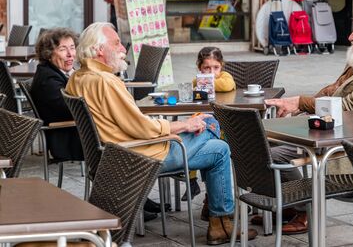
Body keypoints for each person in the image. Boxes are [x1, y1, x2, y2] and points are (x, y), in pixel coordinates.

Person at [66, 22, 257, 245]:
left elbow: (132, 124)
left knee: (219, 148)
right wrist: (185, 125)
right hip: (139, 155)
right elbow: (141, 128)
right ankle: (220, 221)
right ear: (99, 50)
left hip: (112, 154)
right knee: (214, 127)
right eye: (116, 43)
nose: (122, 49)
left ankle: (220, 221)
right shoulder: (105, 81)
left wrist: (184, 124)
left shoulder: (77, 78)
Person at [263, 11, 353, 234]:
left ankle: (302, 208)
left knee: (269, 155)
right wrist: (298, 105)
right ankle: (288, 205)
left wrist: (301, 102)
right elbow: (333, 90)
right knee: (261, 141)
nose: (350, 37)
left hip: (349, 144)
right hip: (329, 132)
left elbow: (348, 107)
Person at [185, 47, 236, 214]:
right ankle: (193, 182)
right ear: (200, 67)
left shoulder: (226, 77)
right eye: (207, 68)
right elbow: (194, 84)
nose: (212, 72)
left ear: (222, 66)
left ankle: (210, 197)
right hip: (205, 127)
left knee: (211, 145)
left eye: (216, 67)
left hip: (227, 129)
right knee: (196, 139)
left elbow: (228, 85)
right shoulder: (196, 80)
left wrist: (206, 81)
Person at [30, 28, 84, 162]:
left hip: (76, 132)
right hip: (68, 139)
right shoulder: (48, 79)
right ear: (48, 54)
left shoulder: (60, 72)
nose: (70, 54)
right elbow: (72, 109)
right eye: (63, 49)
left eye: (72, 48)